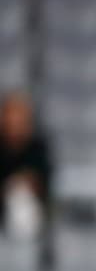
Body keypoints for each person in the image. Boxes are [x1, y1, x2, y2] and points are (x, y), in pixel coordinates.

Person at [0, 91, 53, 241]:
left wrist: (26, 183)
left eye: (19, 117)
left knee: (21, 199)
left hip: (30, 209)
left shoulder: (38, 147)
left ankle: (23, 251)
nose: (14, 121)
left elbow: (45, 181)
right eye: (10, 116)